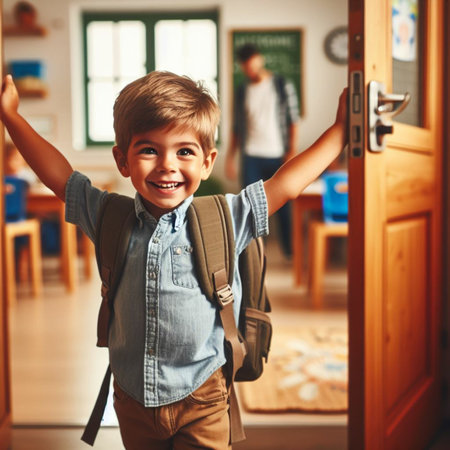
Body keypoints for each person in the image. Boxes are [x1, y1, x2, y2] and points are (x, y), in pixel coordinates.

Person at [0, 71, 347, 449]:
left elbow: (288, 185)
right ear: (123, 160)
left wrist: (341, 131)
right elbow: (60, 177)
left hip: (204, 399)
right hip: (132, 398)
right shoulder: (108, 217)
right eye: (149, 150)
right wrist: (11, 117)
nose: (167, 164)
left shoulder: (227, 217)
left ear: (207, 162)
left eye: (184, 151)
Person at [225, 43, 300, 258]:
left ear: (260, 59)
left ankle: (290, 253)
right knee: (251, 208)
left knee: (285, 207)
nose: (250, 68)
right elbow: (237, 127)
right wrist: (231, 157)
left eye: (252, 62)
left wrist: (291, 151)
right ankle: (255, 255)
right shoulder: (242, 91)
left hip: (278, 155)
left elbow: (292, 119)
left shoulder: (281, 85)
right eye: (245, 65)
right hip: (251, 157)